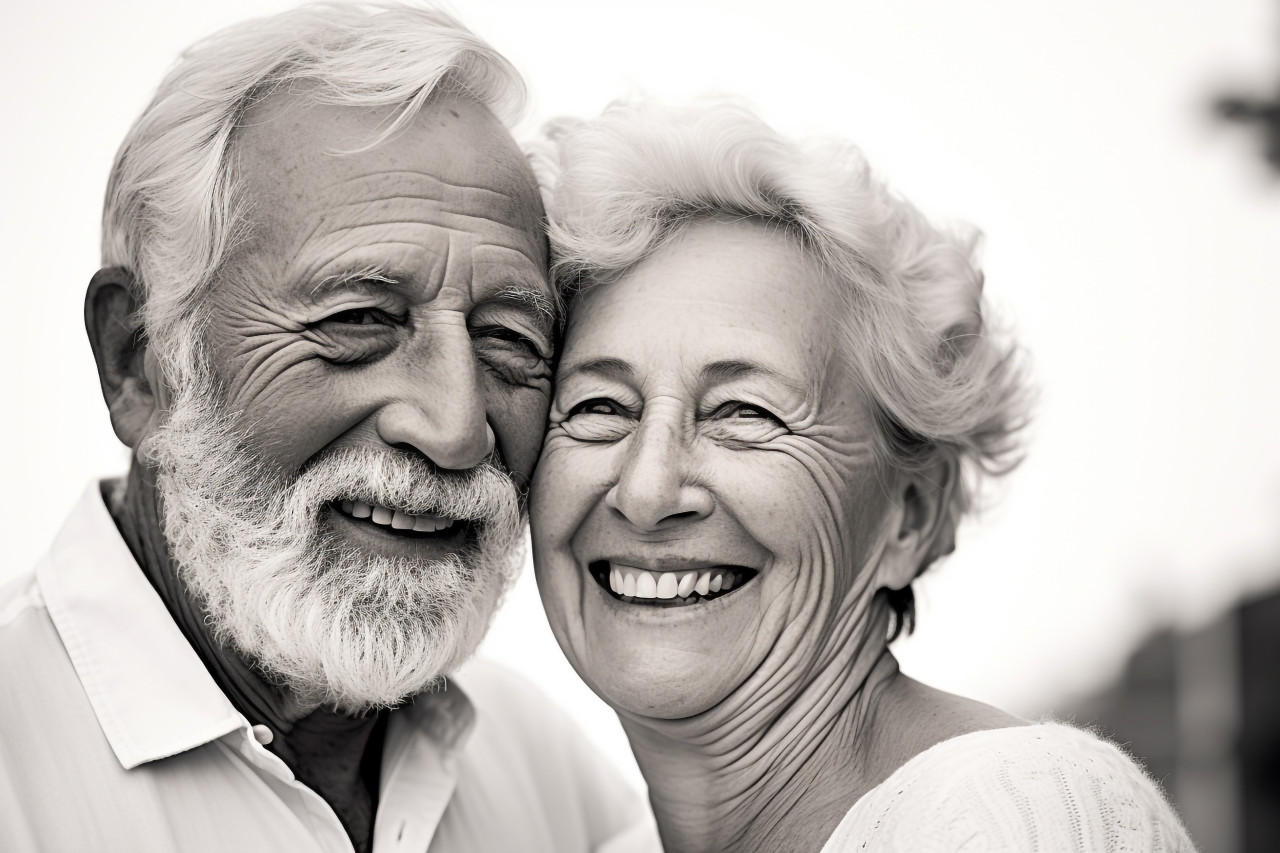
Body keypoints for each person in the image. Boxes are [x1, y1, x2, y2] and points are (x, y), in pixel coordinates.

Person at [0, 5, 658, 852]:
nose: (455, 429)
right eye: (357, 320)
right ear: (140, 360)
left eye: (508, 340)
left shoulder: (545, 771)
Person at [529, 98, 1198, 851]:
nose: (646, 491)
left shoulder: (1008, 818)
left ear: (909, 514)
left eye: (744, 413)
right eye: (598, 405)